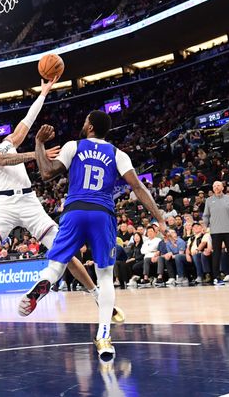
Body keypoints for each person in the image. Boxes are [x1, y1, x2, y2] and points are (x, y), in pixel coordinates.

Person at [0, 79, 123, 323]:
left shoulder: (9, 142)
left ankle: (99, 297)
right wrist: (38, 154)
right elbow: (1, 161)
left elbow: (28, 120)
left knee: (64, 253)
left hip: (28, 202)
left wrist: (43, 92)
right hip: (2, 206)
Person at [18, 111, 166, 361]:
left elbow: (46, 173)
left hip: (74, 211)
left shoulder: (73, 146)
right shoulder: (118, 154)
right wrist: (160, 219)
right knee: (105, 275)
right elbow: (138, 187)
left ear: (89, 126)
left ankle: (42, 285)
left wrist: (39, 143)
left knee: (57, 265)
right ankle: (104, 336)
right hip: (102, 213)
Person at [203, 181, 229, 285]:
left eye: (218, 185)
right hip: (215, 232)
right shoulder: (209, 200)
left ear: (222, 187)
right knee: (216, 255)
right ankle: (216, 277)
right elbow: (206, 215)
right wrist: (205, 227)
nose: (216, 187)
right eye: (214, 186)